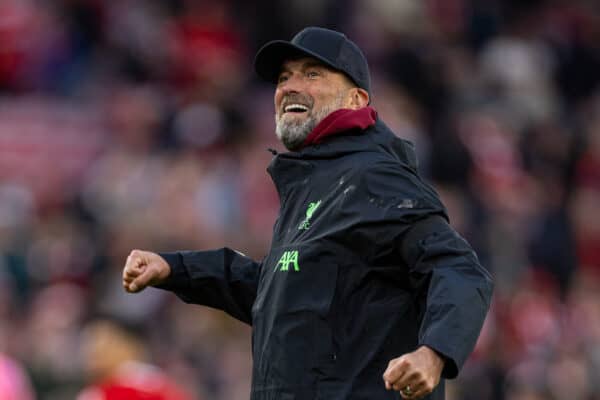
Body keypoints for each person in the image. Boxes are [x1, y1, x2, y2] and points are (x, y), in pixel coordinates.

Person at [122, 27, 493, 400]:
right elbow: (280, 292)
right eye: (284, 78)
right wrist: (174, 268)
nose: (289, 87)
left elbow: (458, 268)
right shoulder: (313, 183)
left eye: (312, 74)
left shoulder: (374, 176)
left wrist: (434, 353)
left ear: (355, 99)